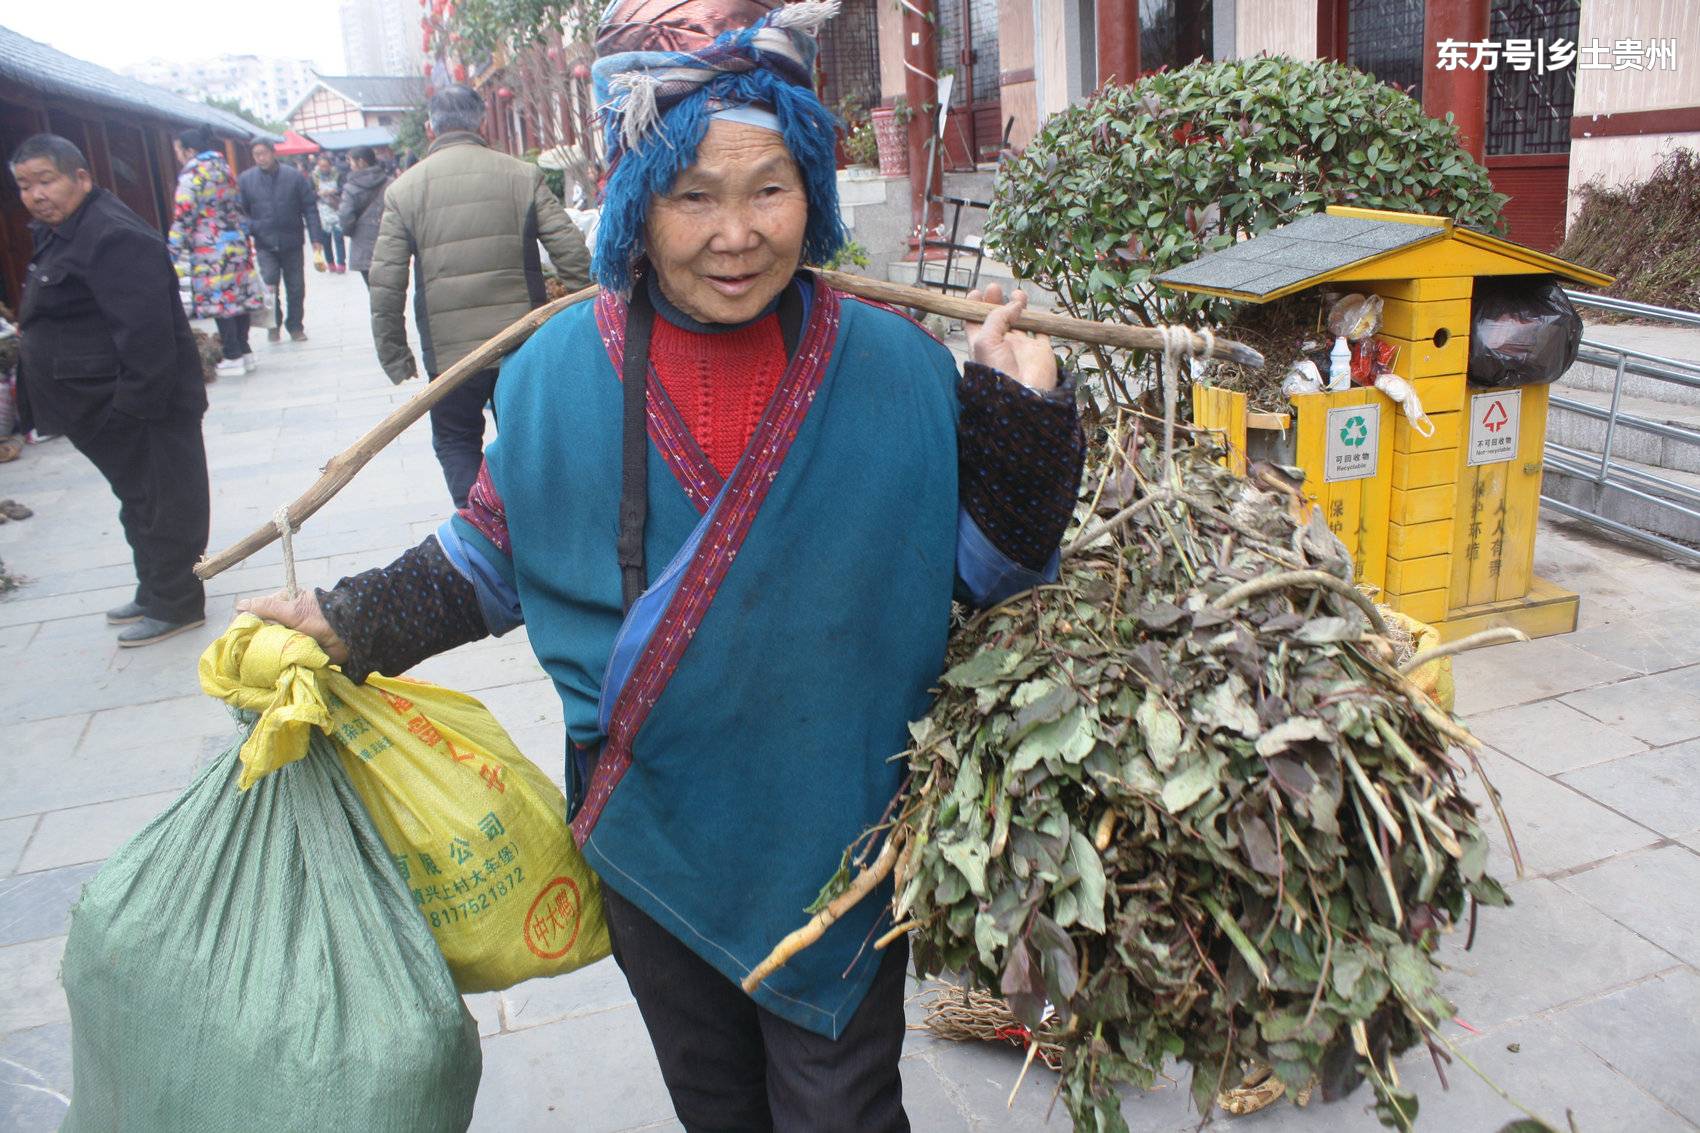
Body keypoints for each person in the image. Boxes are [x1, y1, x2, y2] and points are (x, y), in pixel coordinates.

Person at [239, 2, 1084, 1127]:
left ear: (811, 194)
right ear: (637, 203)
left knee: (841, 1102)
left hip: (840, 822)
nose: (735, 234)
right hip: (647, 824)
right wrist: (344, 619)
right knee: (715, 1101)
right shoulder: (553, 376)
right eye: (693, 195)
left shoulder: (893, 368)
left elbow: (990, 580)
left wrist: (1021, 420)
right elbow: (484, 562)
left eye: (768, 188)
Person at [10, 134, 210, 646]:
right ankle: (154, 589)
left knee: (166, 502)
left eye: (45, 180)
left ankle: (177, 603)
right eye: (24, 185)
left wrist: (130, 410)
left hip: (139, 406)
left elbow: (146, 335)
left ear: (81, 177)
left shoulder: (111, 234)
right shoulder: (66, 231)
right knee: (138, 500)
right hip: (103, 405)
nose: (35, 195)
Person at [367, 83, 592, 507]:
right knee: (525, 439)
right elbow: (571, 252)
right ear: (482, 122)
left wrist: (396, 355)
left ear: (431, 128)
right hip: (521, 345)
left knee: (455, 440)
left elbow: (386, 283)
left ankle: (478, 532)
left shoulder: (404, 191)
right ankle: (531, 524)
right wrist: (585, 321)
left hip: (451, 356)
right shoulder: (521, 175)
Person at [169, 127, 265, 377]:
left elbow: (184, 214)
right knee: (238, 300)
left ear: (190, 151)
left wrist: (173, 247)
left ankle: (232, 355)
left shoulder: (192, 176)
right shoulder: (224, 169)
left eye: (178, 150)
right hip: (236, 244)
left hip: (210, 248)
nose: (178, 156)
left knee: (220, 302)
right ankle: (245, 351)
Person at [237, 139, 321, 343]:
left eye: (264, 153)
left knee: (296, 286)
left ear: (273, 153)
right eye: (256, 154)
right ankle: (273, 324)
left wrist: (316, 240)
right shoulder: (246, 180)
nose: (261, 158)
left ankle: (295, 326)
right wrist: (252, 228)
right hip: (264, 242)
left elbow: (310, 208)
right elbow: (240, 212)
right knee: (269, 282)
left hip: (291, 240)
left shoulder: (293, 177)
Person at [335, 145, 390, 285]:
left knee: (373, 291)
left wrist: (348, 231)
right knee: (391, 290)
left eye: (351, 161)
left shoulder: (351, 188)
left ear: (361, 162)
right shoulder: (389, 183)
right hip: (390, 243)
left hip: (363, 246)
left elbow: (345, 217)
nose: (350, 165)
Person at [311, 154, 346, 274]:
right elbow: (311, 192)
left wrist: (334, 191)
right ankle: (330, 263)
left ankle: (341, 263)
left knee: (338, 237)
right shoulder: (314, 176)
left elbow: (344, 188)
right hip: (322, 209)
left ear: (330, 166)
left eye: (326, 166)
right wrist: (318, 193)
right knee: (325, 239)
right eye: (321, 166)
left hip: (336, 208)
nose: (323, 168)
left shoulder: (338, 175)